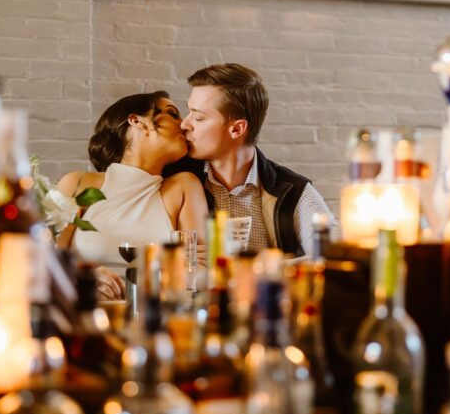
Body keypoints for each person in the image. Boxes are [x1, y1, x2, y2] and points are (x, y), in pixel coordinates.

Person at [56, 91, 207, 299]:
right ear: (138, 121)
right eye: (173, 114)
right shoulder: (78, 184)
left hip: (154, 318)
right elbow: (43, 260)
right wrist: (83, 276)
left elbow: (202, 271)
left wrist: (156, 276)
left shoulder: (183, 187)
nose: (183, 125)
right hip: (86, 315)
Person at [179, 63, 337, 256]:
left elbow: (332, 258)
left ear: (237, 129)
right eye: (189, 112)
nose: (185, 124)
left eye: (199, 117)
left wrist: (265, 268)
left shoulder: (293, 192)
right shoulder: (177, 182)